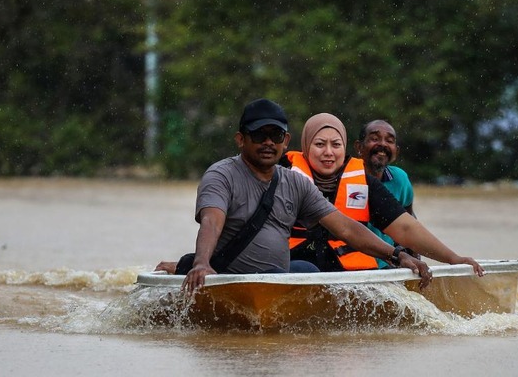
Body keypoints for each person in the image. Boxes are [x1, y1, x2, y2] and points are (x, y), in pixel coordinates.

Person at [157, 99, 433, 294]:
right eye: (259, 135)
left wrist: (399, 256)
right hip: (237, 274)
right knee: (300, 266)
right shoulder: (222, 175)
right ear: (241, 139)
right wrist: (202, 263)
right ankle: (187, 264)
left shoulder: (296, 182)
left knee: (306, 269)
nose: (268, 142)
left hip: (284, 275)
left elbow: (348, 228)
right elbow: (211, 222)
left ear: (285, 141)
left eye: (275, 135)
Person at [283, 113, 485, 276]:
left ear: (344, 149)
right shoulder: (283, 175)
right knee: (304, 269)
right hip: (297, 268)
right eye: (319, 145)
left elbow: (405, 228)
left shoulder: (364, 183)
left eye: (336, 145)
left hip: (348, 272)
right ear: (306, 146)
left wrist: (453, 258)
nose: (328, 152)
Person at [353, 119, 416, 268]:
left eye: (389, 141)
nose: (382, 144)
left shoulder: (400, 179)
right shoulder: (346, 177)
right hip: (350, 265)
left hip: (386, 264)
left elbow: (409, 221)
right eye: (374, 139)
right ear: (359, 147)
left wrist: (414, 257)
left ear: (396, 151)